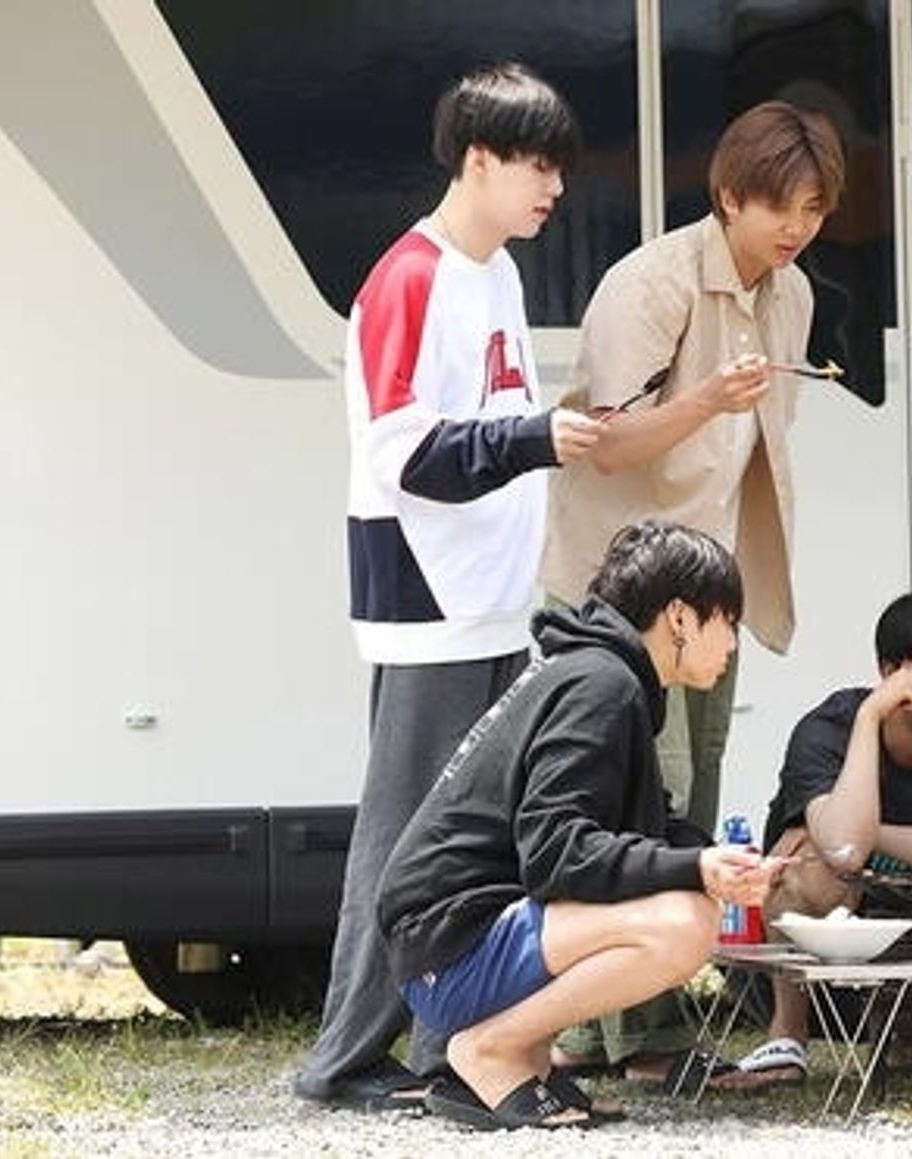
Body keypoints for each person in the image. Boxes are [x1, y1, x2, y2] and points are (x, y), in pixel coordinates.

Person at [295, 63, 603, 1113]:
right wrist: (533, 437)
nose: (553, 188)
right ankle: (345, 1057)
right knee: (403, 835)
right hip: (423, 594)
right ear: (478, 159)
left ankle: (444, 1042)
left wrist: (532, 440)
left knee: (476, 834)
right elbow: (396, 450)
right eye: (536, 165)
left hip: (488, 593)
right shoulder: (409, 277)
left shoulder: (497, 273)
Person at [540, 100, 845, 1083]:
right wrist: (705, 397)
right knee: (642, 798)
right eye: (778, 207)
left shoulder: (790, 292)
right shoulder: (652, 284)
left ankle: (598, 1026)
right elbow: (602, 440)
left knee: (693, 793)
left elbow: (758, 448)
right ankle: (651, 1033)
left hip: (708, 590)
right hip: (618, 591)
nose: (795, 228)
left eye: (813, 208)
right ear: (727, 197)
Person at [377, 519, 783, 1131]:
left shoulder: (597, 674)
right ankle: (490, 1051)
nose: (731, 644)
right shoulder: (602, 685)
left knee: (683, 899)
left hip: (447, 940)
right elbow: (556, 851)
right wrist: (696, 868)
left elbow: (627, 832)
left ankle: (524, 1062)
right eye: (728, 620)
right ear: (680, 616)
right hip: (451, 951)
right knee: (683, 922)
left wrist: (721, 859)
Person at [714, 588, 912, 1090]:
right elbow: (843, 848)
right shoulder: (829, 729)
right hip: (808, 961)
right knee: (805, 851)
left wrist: (874, 836)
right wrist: (870, 717)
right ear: (888, 670)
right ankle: (787, 1036)